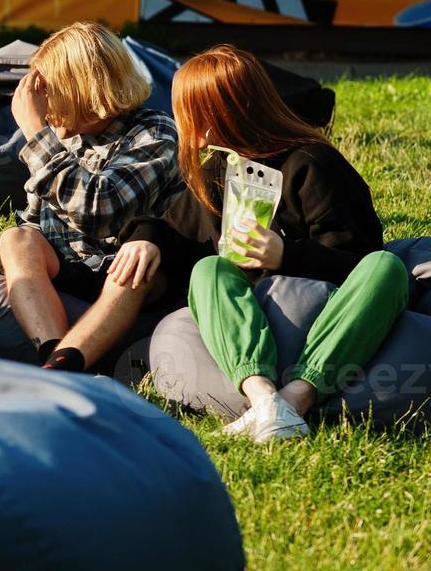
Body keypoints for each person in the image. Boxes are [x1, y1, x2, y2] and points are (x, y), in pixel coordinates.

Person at [118, 45, 406, 443]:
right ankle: (265, 399)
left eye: (190, 112)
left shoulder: (312, 163)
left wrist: (286, 255)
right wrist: (146, 238)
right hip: (252, 330)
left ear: (221, 115)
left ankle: (296, 398)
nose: (184, 125)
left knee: (387, 268)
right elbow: (175, 230)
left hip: (323, 318)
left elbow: (357, 259)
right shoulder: (219, 169)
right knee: (208, 269)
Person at [0, 21, 181, 372]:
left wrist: (37, 135)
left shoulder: (153, 131)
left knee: (134, 264)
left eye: (48, 92)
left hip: (123, 271)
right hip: (70, 266)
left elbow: (101, 211)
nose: (43, 106)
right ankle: (54, 359)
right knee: (16, 237)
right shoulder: (60, 135)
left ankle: (70, 363)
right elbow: (34, 220)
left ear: (83, 88)